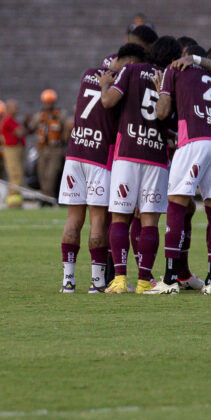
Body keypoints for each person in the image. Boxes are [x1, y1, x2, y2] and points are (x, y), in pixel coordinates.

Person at [144, 44, 211, 294]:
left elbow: (163, 112)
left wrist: (161, 92)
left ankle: (168, 280)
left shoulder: (173, 69)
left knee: (176, 204)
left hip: (193, 140)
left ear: (182, 57)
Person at [100, 37, 176, 294]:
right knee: (149, 221)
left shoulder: (131, 70)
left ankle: (120, 279)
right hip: (156, 155)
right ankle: (144, 280)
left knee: (120, 216)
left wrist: (104, 87)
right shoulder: (168, 78)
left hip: (128, 153)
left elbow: (109, 101)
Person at [59, 49, 126, 293]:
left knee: (73, 219)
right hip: (99, 157)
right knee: (98, 220)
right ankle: (97, 282)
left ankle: (68, 281)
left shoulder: (88, 75)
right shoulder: (118, 86)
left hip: (75, 153)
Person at [27, 89, 69, 204]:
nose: (48, 104)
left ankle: (47, 198)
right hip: (42, 149)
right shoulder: (39, 116)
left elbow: (67, 130)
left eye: (50, 102)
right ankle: (45, 196)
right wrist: (26, 123)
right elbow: (31, 128)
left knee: (51, 174)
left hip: (56, 149)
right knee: (42, 174)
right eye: (46, 102)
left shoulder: (61, 115)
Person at [0, 99, 26, 208]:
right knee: (15, 174)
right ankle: (13, 201)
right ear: (9, 108)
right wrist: (23, 129)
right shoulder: (8, 120)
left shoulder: (12, 120)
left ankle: (16, 199)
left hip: (16, 149)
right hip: (11, 149)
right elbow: (21, 132)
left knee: (18, 174)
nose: (17, 109)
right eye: (15, 107)